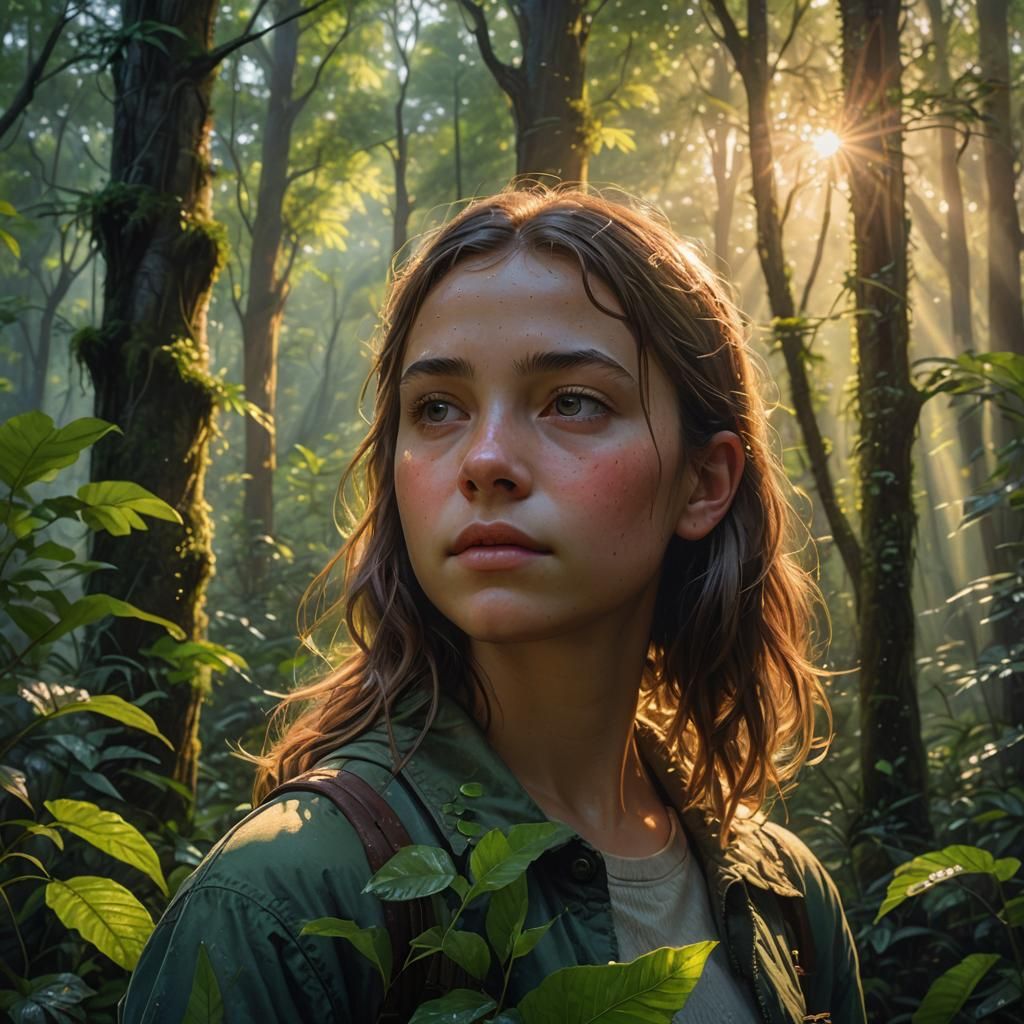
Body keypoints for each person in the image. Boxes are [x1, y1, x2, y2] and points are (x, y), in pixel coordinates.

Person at [121, 186, 866, 1023]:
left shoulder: (789, 899)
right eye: (438, 409)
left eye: (572, 400)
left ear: (705, 481)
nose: (483, 461)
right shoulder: (280, 902)